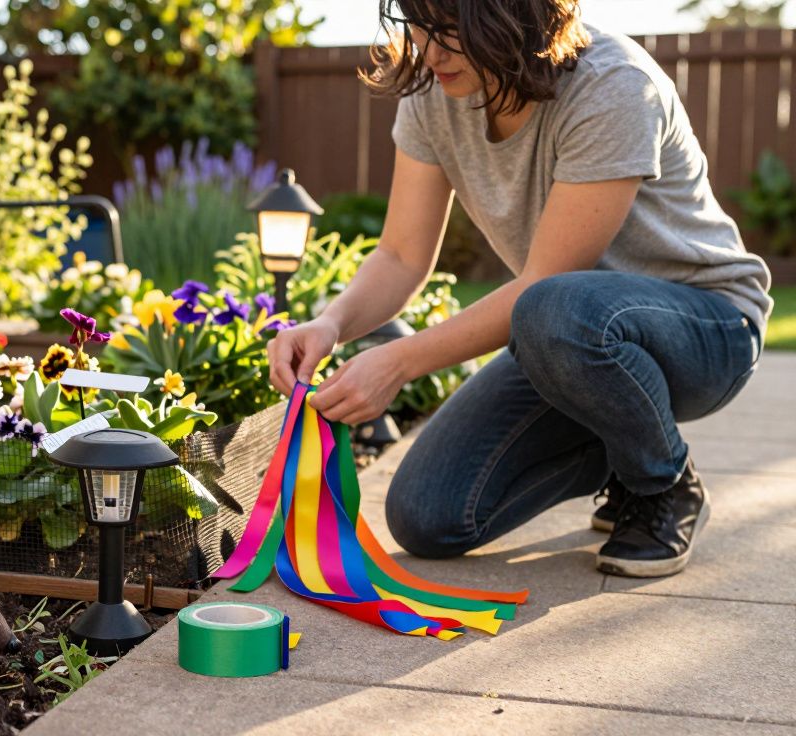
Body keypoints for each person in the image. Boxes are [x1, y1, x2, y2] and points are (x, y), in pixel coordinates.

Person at [266, 0, 770, 578]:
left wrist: (397, 362)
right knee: (428, 517)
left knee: (552, 307)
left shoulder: (613, 86)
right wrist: (329, 325)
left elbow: (545, 282)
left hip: (707, 329)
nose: (430, 51)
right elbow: (401, 255)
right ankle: (621, 452)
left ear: (515, 15)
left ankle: (664, 483)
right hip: (569, 338)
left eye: (451, 30)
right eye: (421, 28)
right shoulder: (434, 92)